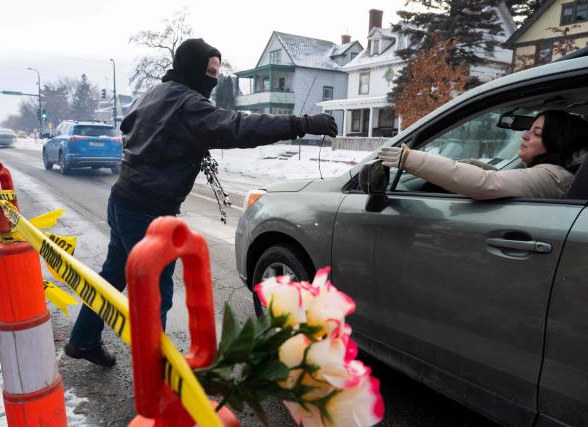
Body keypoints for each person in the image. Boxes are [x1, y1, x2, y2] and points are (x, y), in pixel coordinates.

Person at [64, 38, 338, 367]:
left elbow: (129, 125)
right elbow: (238, 127)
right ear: (192, 69)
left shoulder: (156, 93)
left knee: (112, 275)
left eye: (217, 73)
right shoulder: (186, 103)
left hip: (123, 198)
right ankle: (154, 377)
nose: (213, 79)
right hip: (149, 212)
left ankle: (82, 340)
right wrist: (301, 124)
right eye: (209, 72)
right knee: (156, 294)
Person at [379, 110, 588, 200]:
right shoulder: (560, 175)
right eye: (529, 129)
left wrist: (408, 158)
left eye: (537, 133)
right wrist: (472, 164)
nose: (524, 136)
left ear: (559, 143)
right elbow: (504, 180)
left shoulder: (553, 176)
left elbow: (486, 183)